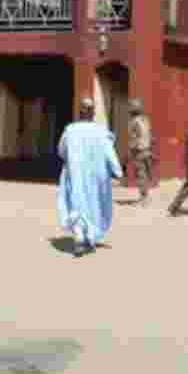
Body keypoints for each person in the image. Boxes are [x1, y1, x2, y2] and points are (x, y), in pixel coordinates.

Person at [57, 97, 123, 257]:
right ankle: (89, 237)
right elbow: (109, 153)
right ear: (93, 113)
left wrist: (71, 161)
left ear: (80, 113)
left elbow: (61, 151)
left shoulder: (70, 130)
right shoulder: (101, 131)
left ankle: (80, 236)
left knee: (76, 202)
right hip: (96, 177)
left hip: (76, 173)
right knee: (94, 205)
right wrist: (118, 171)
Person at [127, 97, 153, 206]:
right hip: (146, 149)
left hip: (139, 150)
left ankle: (143, 198)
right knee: (145, 174)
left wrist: (130, 150)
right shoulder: (145, 119)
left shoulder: (134, 121)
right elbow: (149, 135)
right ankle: (145, 196)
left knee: (140, 174)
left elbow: (135, 138)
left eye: (130, 107)